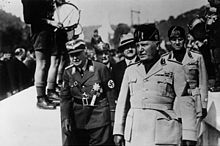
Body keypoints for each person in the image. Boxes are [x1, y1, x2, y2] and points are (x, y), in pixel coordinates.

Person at [113, 24, 187, 146]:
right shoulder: (130, 70)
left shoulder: (173, 68)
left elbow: (185, 103)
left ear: (157, 45)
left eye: (144, 45)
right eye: (137, 45)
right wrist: (118, 131)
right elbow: (122, 104)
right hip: (135, 133)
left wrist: (189, 133)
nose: (140, 49)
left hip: (162, 133)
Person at [60, 39, 116, 145]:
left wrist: (113, 118)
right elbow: (65, 98)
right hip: (78, 120)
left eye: (78, 54)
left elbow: (110, 95)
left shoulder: (100, 68)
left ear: (85, 52)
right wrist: (66, 118)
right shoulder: (68, 72)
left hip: (98, 117)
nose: (75, 58)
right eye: (72, 55)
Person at [166, 26, 208, 146]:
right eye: (173, 39)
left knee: (193, 140)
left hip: (194, 102)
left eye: (180, 39)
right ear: (170, 41)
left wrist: (204, 104)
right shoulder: (166, 60)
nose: (177, 42)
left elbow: (203, 82)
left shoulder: (196, 57)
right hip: (175, 105)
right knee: (177, 139)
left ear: (184, 39)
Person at [21, 0, 67, 109]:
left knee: (46, 64)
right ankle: (40, 98)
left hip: (47, 32)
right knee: (42, 64)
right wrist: (50, 22)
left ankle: (47, 94)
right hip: (39, 33)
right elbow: (28, 18)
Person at [111, 32, 139, 99]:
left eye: (132, 46)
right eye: (126, 47)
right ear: (122, 50)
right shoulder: (116, 68)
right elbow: (114, 88)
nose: (130, 49)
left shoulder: (143, 64)